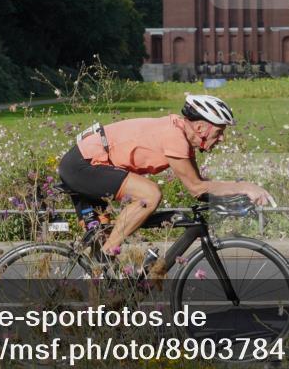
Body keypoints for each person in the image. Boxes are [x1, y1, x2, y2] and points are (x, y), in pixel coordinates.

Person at [57, 94, 275, 274]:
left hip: (88, 163)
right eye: (219, 132)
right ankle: (105, 256)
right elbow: (196, 187)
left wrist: (235, 197)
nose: (222, 139)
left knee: (104, 268)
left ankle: (102, 314)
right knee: (149, 195)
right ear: (201, 127)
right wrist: (245, 186)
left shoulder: (181, 136)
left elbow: (200, 189)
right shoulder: (175, 137)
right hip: (83, 165)